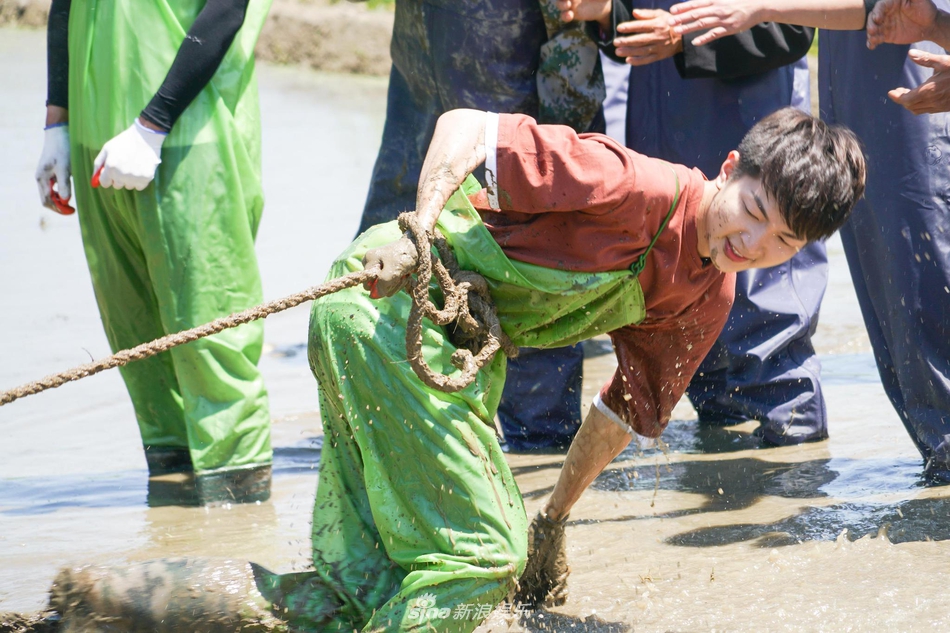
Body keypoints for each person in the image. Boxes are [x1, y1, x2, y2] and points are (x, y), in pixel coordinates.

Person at [46, 107, 867, 632]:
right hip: (390, 306)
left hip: (430, 353)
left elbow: (620, 412)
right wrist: (421, 224)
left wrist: (554, 519)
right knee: (481, 555)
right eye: (752, 211)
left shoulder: (708, 296)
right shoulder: (632, 185)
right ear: (730, 168)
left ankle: (97, 599)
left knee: (369, 584)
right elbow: (468, 126)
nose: (752, 242)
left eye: (783, 242)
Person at [666, 0, 950, 484]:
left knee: (922, 267)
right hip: (869, 48)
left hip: (913, 60)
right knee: (888, 293)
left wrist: (762, 8)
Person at [34, 0, 274, 504]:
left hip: (189, 139)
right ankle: (171, 532)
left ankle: (238, 543)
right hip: (95, 145)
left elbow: (228, 7)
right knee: (139, 351)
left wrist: (154, 123)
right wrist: (57, 121)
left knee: (212, 344)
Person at [355, 0, 606, 453]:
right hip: (417, 113)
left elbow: (574, 61)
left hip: (511, 132)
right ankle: (403, 434)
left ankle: (540, 449)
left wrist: (559, 165)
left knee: (524, 296)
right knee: (382, 270)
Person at [576, 0, 830, 445]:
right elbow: (636, 16)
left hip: (748, 127)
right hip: (661, 129)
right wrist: (609, 15)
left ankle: (796, 491)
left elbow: (796, 24)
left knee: (768, 331)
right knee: (687, 340)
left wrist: (683, 37)